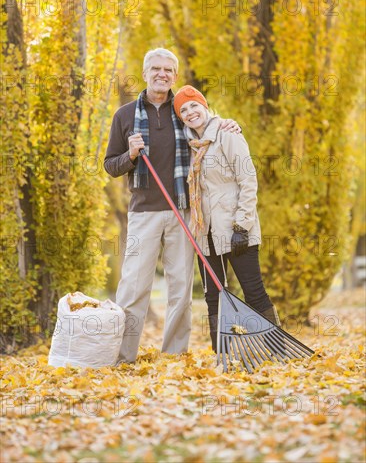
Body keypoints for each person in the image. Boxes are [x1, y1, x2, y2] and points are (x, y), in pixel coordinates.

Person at [104, 49, 240, 363]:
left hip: (183, 210)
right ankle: (123, 356)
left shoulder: (183, 109)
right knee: (133, 287)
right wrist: (131, 155)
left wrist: (232, 126)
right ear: (145, 72)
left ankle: (175, 355)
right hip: (143, 213)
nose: (162, 74)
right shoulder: (125, 116)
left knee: (180, 287)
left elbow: (212, 128)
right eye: (156, 68)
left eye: (168, 70)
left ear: (175, 76)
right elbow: (111, 165)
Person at [173, 85, 280, 352]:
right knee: (214, 297)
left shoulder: (227, 135)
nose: (189, 112)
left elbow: (248, 180)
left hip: (235, 229)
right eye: (183, 110)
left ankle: (276, 349)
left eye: (193, 105)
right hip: (204, 233)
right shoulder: (189, 146)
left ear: (204, 105)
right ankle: (223, 352)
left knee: (254, 292)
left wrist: (242, 226)